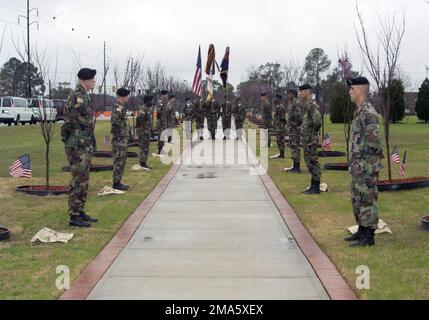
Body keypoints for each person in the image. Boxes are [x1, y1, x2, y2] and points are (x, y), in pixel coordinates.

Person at [346, 77, 384, 247]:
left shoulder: (368, 112)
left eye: (352, 88)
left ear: (360, 90)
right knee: (358, 198)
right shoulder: (360, 111)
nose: (349, 92)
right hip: (358, 166)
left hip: (366, 166)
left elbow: (374, 143)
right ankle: (362, 229)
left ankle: (368, 236)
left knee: (367, 199)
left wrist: (366, 163)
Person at [61, 68, 98, 228]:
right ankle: (73, 215)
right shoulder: (76, 96)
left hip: (84, 144)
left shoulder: (84, 96)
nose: (94, 82)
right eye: (92, 79)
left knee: (84, 179)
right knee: (78, 179)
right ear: (85, 80)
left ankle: (80, 210)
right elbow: (69, 120)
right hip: (77, 144)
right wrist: (70, 139)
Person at [300, 84, 322, 195]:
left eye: (302, 92)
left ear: (307, 91)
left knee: (313, 161)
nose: (300, 94)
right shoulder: (307, 104)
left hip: (310, 140)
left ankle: (316, 187)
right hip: (307, 139)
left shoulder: (311, 104)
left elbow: (317, 120)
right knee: (309, 161)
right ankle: (313, 185)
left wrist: (312, 134)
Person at [111, 88, 131, 191]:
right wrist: (120, 135)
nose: (128, 97)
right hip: (119, 140)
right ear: (122, 96)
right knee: (119, 161)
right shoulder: (118, 107)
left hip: (122, 139)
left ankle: (118, 181)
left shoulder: (121, 107)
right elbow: (115, 122)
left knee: (121, 161)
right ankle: (116, 183)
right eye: (127, 95)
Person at [284, 89, 303, 173]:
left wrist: (293, 124)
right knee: (292, 147)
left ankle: (297, 167)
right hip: (292, 129)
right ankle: (294, 165)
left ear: (292, 94)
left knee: (295, 147)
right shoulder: (291, 103)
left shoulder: (296, 103)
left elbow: (299, 117)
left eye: (289, 94)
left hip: (295, 130)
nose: (287, 96)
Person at [134, 96, 154, 171]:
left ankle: (144, 162)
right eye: (150, 101)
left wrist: (150, 130)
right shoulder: (143, 109)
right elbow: (139, 118)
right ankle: (142, 163)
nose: (152, 102)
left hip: (146, 131)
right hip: (143, 132)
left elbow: (148, 121)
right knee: (143, 148)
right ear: (147, 101)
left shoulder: (147, 109)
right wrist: (141, 128)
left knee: (146, 147)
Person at [272, 94, 287, 159]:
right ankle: (281, 153)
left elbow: (283, 118)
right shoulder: (277, 107)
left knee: (280, 140)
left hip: (280, 127)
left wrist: (280, 124)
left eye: (276, 98)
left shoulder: (280, 107)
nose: (274, 99)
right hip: (278, 127)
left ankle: (282, 154)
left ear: (279, 99)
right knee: (278, 140)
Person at [156, 90, 169, 155]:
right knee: (161, 135)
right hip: (161, 121)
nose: (167, 96)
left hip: (163, 121)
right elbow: (158, 111)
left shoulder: (165, 102)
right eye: (166, 95)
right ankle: (160, 149)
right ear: (164, 95)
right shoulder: (161, 101)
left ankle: (161, 149)